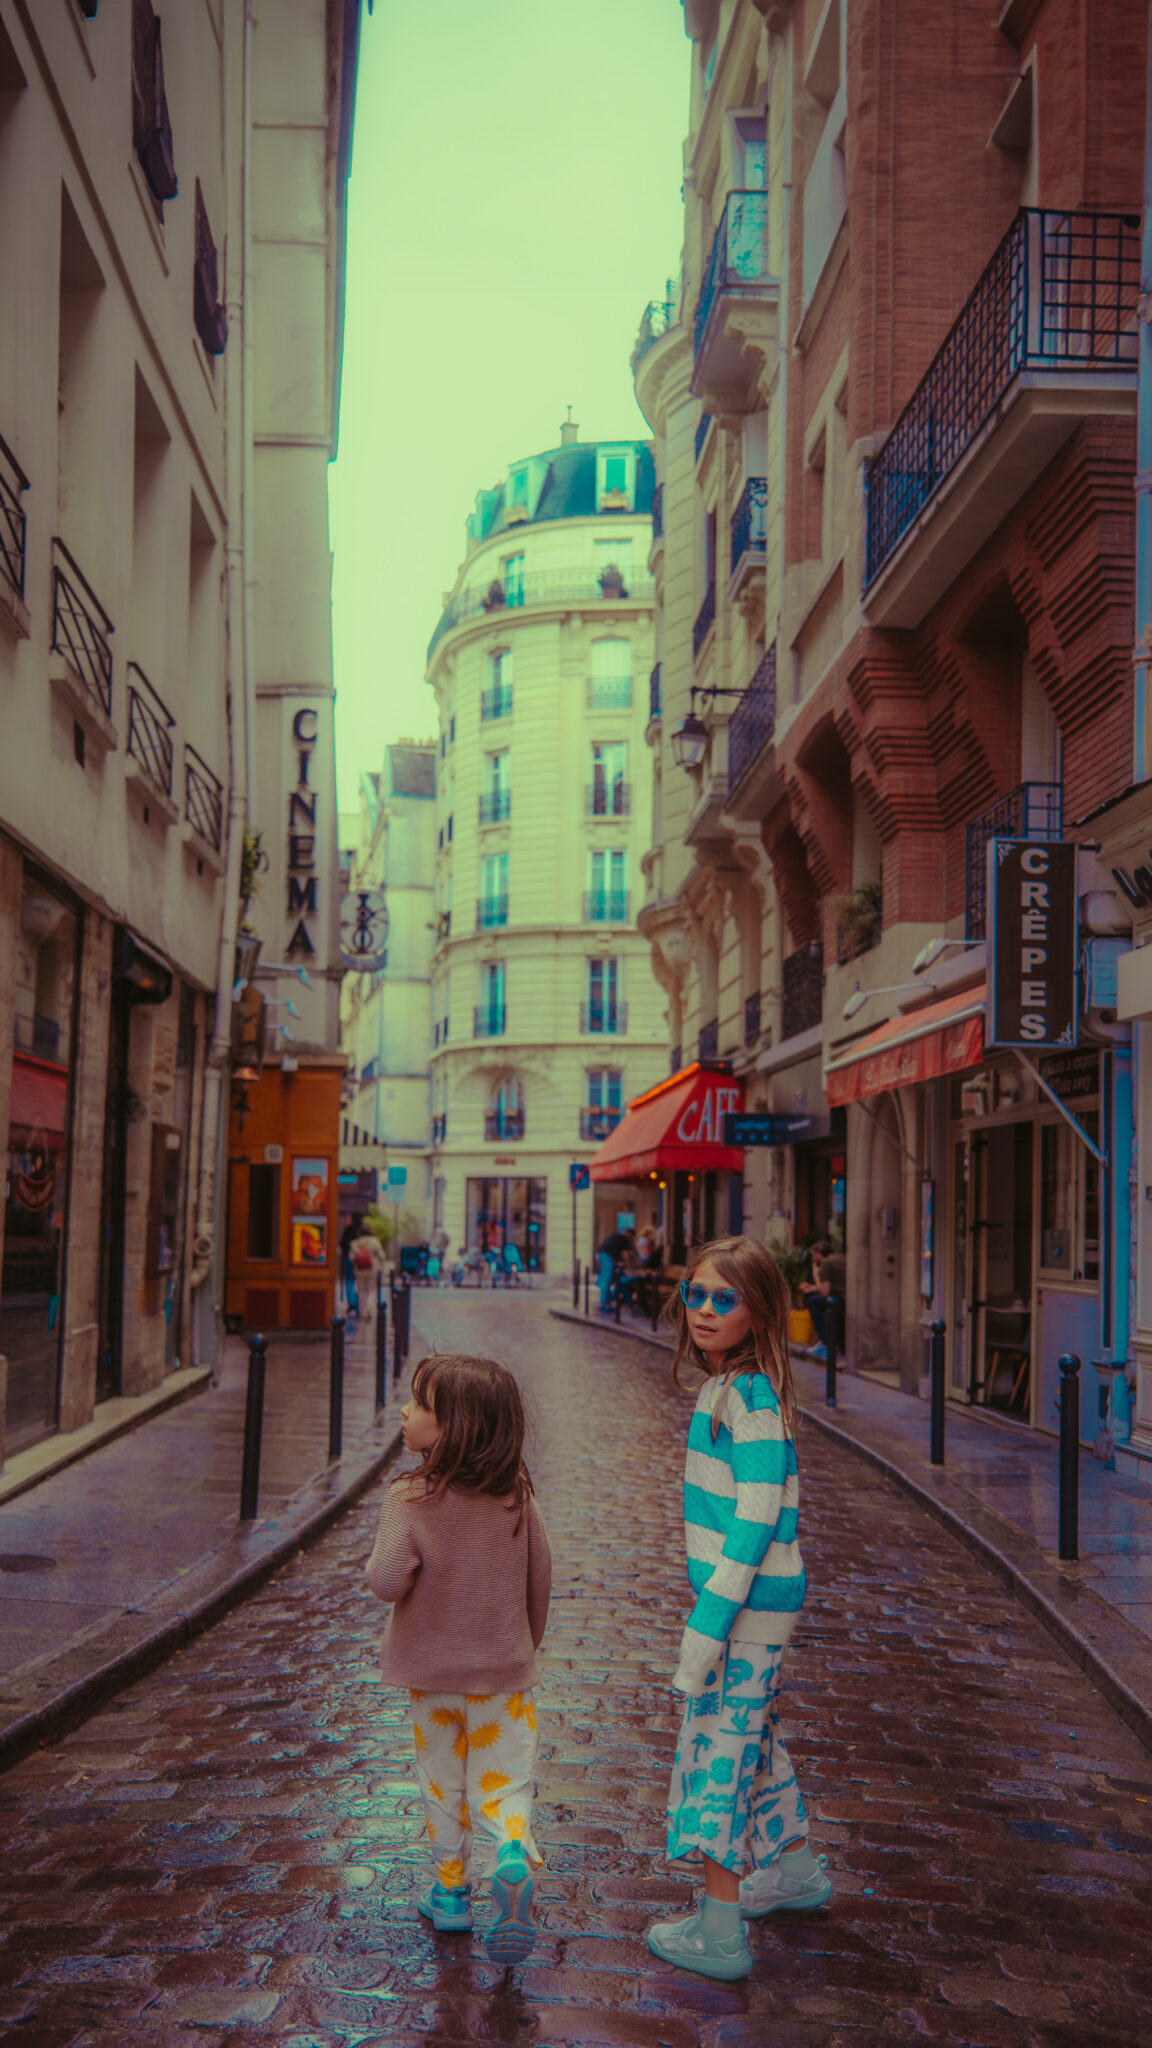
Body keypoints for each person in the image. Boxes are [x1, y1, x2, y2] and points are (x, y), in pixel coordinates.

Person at [646, 1234, 830, 1983]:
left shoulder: (748, 1397)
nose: (705, 1310)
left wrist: (707, 1625)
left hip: (744, 1605)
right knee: (754, 1738)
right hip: (755, 1603)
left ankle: (720, 1930)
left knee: (719, 1750)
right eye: (696, 1294)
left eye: (725, 1298)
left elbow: (753, 1522)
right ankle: (796, 1870)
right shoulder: (729, 1390)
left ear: (759, 1312)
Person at [365, 1352, 552, 1964]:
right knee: (503, 1780)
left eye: (418, 1405)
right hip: (501, 1674)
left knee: (442, 1783)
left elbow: (386, 1581)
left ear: (452, 1428)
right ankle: (509, 1857)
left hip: (431, 1677)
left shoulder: (409, 1495)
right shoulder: (515, 1492)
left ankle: (450, 1896)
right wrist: (526, 1645)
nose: (405, 1410)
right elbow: (540, 1575)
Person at [799, 1241, 846, 1360]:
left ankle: (827, 1343)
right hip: (849, 1299)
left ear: (818, 1253)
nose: (812, 1259)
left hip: (840, 1300)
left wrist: (815, 1272)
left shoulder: (826, 1262)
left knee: (812, 1302)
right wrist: (812, 1288)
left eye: (813, 1255)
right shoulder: (842, 1258)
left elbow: (824, 1291)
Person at [351, 1218, 387, 1315]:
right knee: (372, 1290)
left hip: (359, 1270)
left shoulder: (355, 1243)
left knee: (361, 1290)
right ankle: (369, 1307)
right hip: (372, 1269)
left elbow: (351, 1258)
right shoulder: (375, 1241)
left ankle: (362, 1312)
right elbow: (382, 1256)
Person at [595, 1226, 634, 1311]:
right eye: (631, 1236)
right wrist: (630, 1267)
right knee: (607, 1278)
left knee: (607, 1278)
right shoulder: (624, 1239)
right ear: (629, 1234)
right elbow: (626, 1255)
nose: (631, 1238)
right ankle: (603, 1302)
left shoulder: (617, 1236)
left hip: (601, 1254)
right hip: (606, 1255)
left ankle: (606, 1300)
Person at [340, 1214, 363, 1318]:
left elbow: (343, 1244)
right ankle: (359, 1305)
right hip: (362, 1260)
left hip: (350, 1259)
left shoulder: (349, 1230)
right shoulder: (363, 1230)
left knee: (350, 1282)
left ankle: (352, 1303)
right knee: (360, 1282)